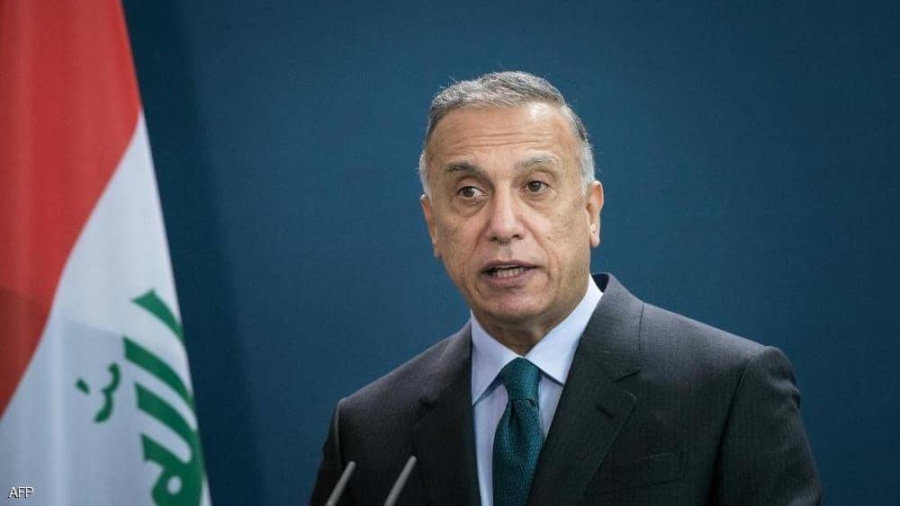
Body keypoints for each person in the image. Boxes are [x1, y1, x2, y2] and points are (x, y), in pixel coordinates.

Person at [310, 71, 821, 506]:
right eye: (468, 192)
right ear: (433, 227)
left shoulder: (728, 388)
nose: (503, 225)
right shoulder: (366, 430)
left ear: (591, 211)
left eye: (535, 186)